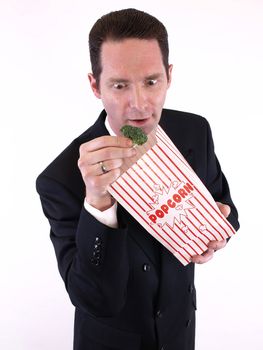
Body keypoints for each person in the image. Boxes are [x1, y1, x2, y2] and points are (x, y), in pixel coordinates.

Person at [36, 8, 239, 350]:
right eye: (119, 85)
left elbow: (225, 204)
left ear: (169, 75)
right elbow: (94, 299)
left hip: (180, 333)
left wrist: (217, 231)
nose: (139, 104)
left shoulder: (194, 131)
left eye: (151, 81)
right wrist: (97, 203)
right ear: (94, 85)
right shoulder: (60, 178)